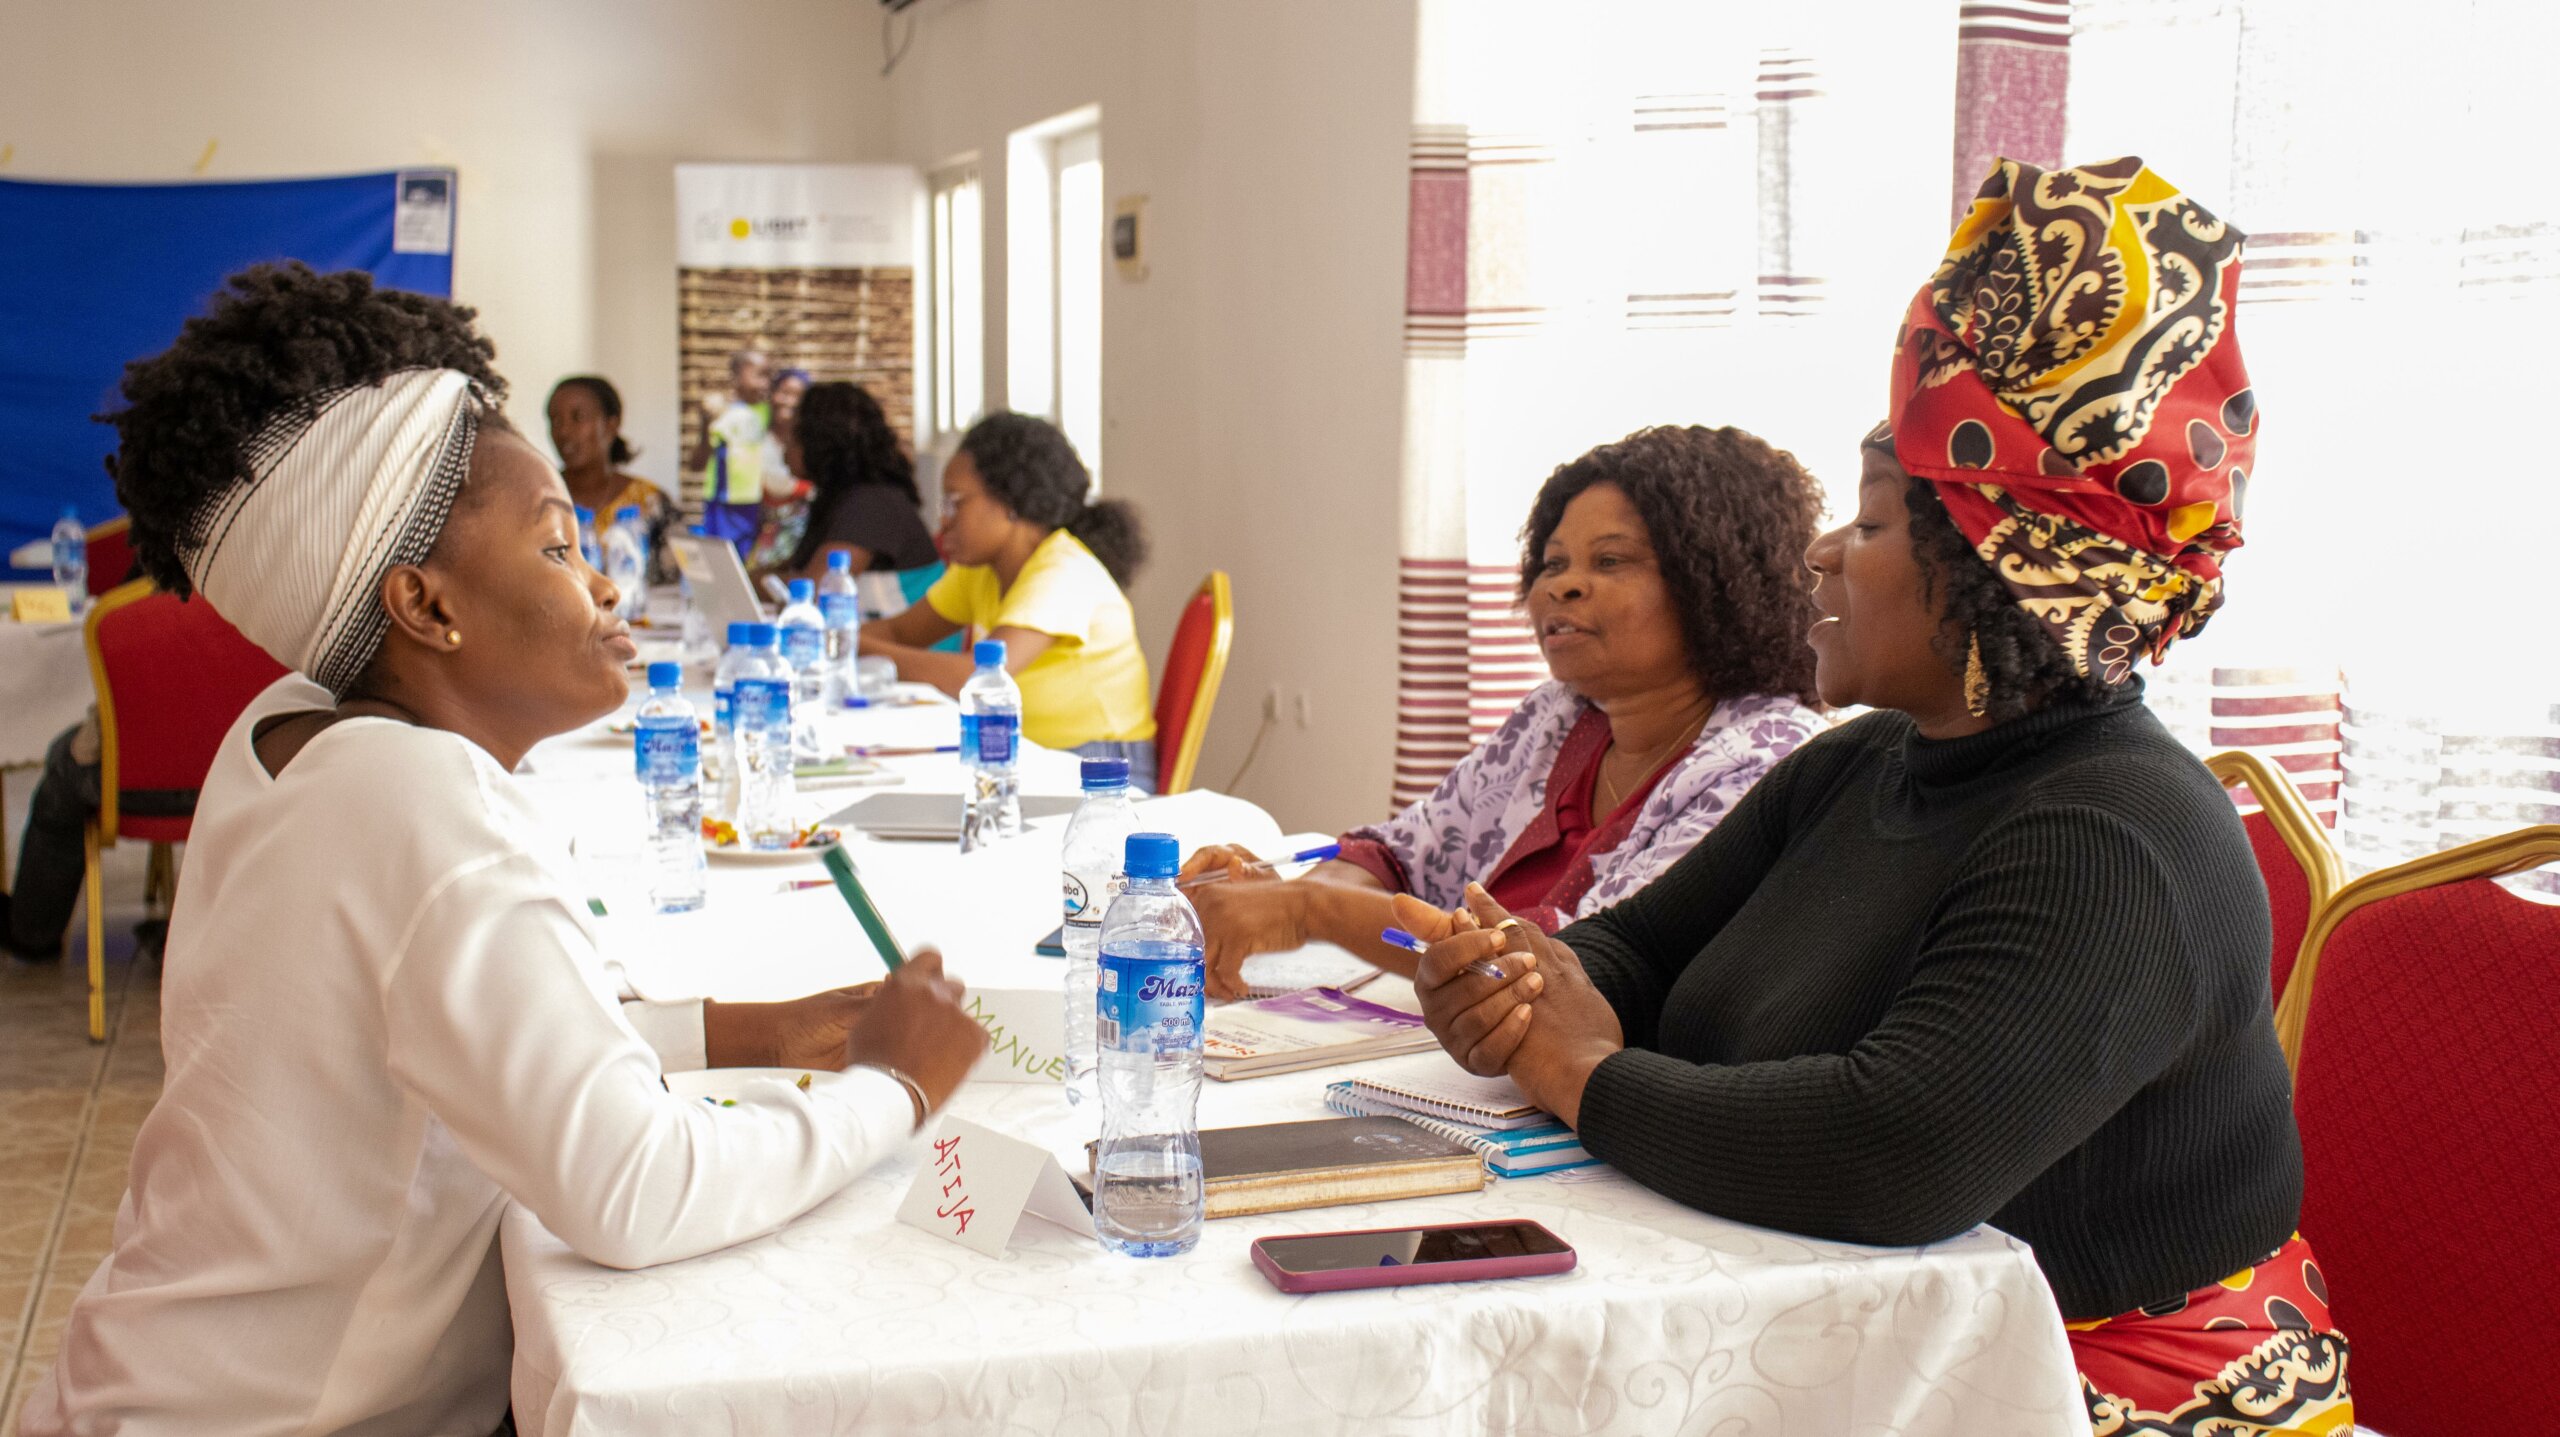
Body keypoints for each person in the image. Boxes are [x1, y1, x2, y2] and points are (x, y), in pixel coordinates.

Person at [1400, 158, 2351, 1436]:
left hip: (2089, 1391)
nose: (1820, 551)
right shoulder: (1860, 763)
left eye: (1872, 518)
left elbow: (1896, 1151)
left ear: (1998, 558)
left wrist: (1583, 1075)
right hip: (1849, 1329)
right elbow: (1630, 951)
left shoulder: (2113, 836)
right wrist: (1514, 990)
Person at [20, 263, 990, 1435]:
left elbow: (445, 1019)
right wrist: (894, 1089)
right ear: (424, 608)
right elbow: (633, 1191)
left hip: (155, 1386)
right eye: (555, 549)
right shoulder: (427, 807)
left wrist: (752, 1032)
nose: (602, 588)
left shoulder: (285, 727)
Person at [1182, 426, 1829, 1000]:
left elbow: (1568, 970)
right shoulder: (1560, 716)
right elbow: (1399, 856)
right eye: (1552, 563)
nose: (1561, 586)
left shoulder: (1768, 756)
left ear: (1714, 581)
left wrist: (1310, 909)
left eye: (1610, 560)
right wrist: (1271, 891)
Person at [858, 412, 1157, 782]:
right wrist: (833, 640)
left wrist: (850, 645)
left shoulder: (1063, 572)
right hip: (1028, 753)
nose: (943, 522)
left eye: (956, 502)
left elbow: (974, 677)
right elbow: (901, 634)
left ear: (1012, 503)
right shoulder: (981, 569)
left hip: (1100, 769)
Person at [773, 381, 937, 582]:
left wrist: (753, 582)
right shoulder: (840, 498)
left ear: (821, 442)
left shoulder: (872, 503)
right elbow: (794, 567)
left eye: (795, 436)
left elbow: (820, 587)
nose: (786, 448)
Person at [546, 374, 676, 583]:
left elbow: (677, 580)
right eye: (555, 420)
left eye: (577, 418)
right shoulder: (540, 499)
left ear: (611, 425)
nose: (564, 431)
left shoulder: (650, 501)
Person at [693, 346, 771, 550]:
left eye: (768, 376)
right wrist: (704, 426)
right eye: (759, 375)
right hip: (723, 503)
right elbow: (696, 464)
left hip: (756, 502)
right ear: (736, 377)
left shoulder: (768, 413)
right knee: (723, 558)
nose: (765, 382)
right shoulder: (720, 414)